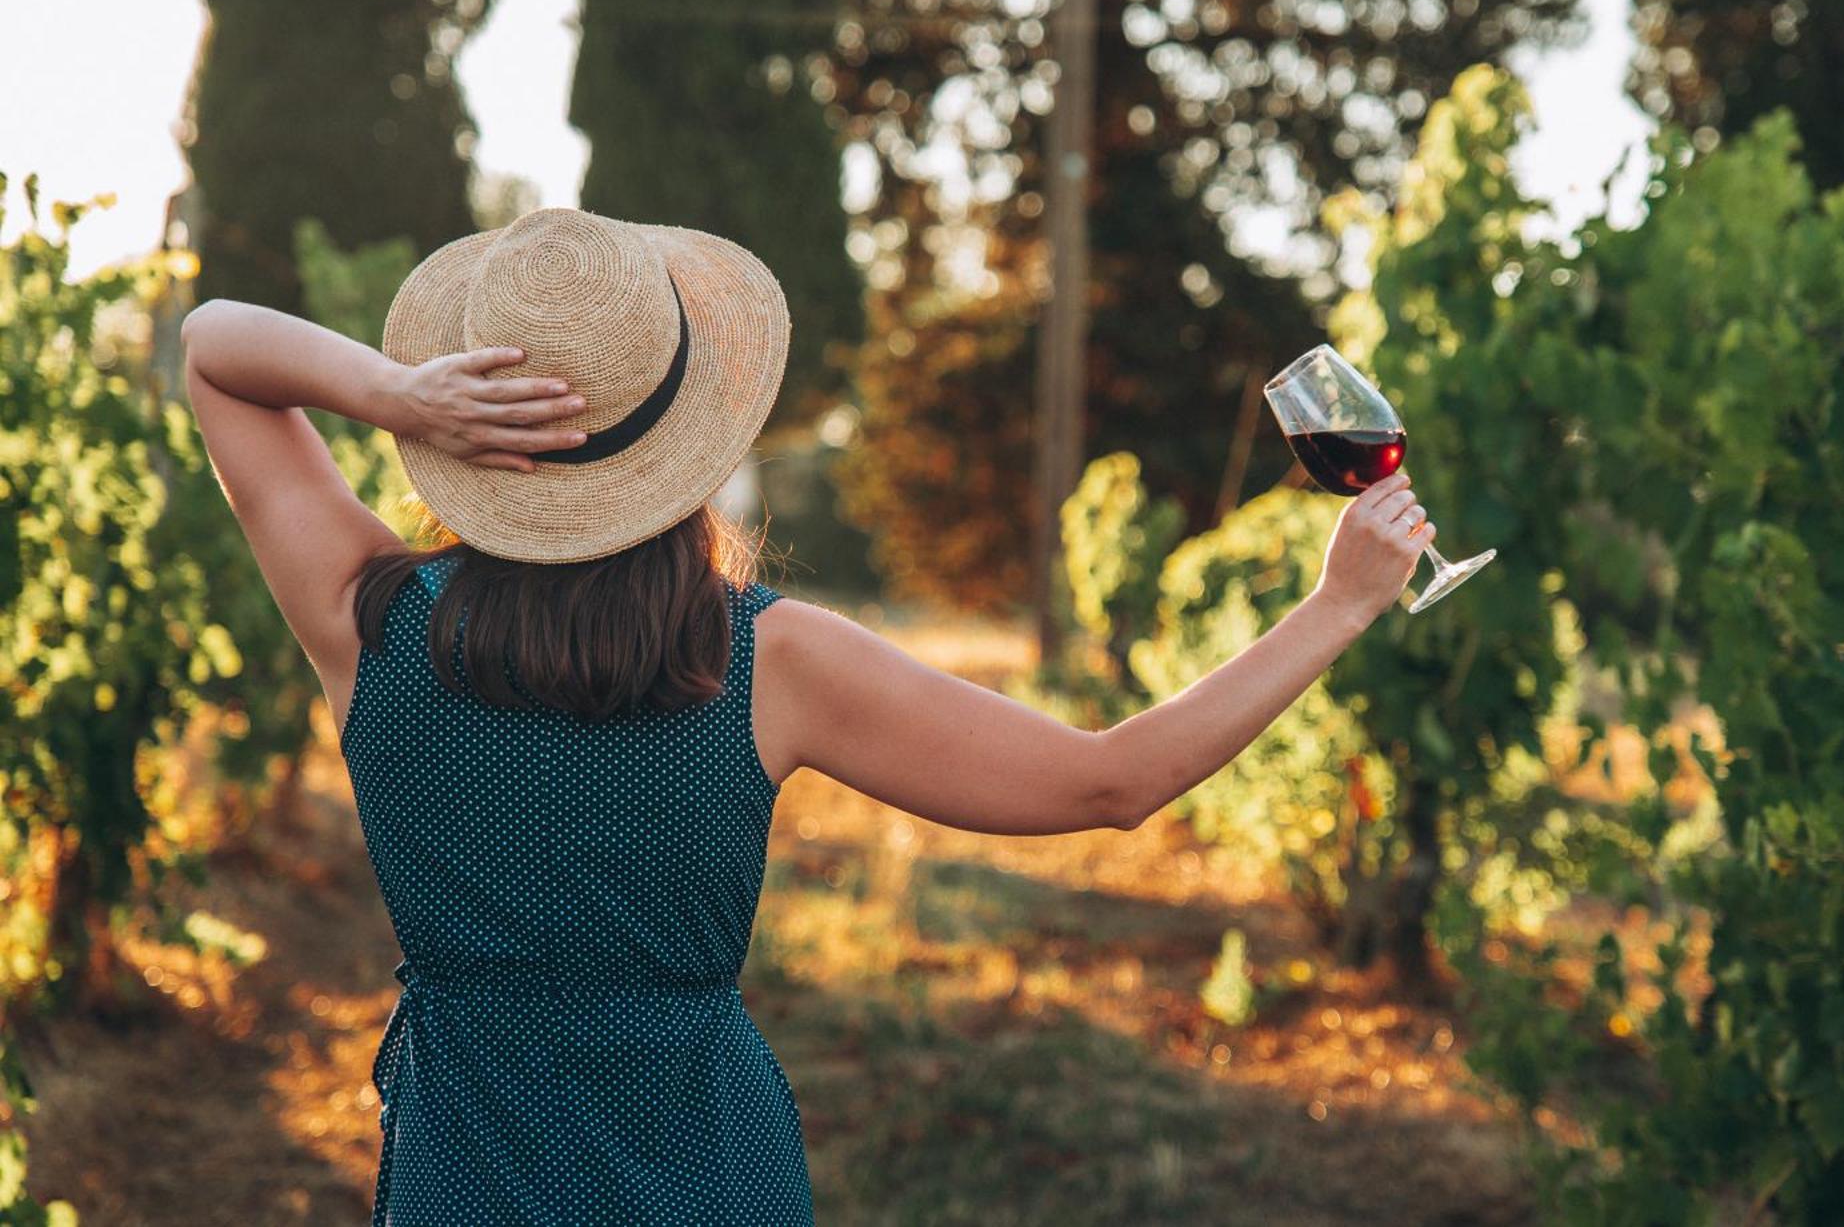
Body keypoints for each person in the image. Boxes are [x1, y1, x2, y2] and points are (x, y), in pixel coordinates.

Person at [180, 206, 1435, 1226]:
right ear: (682, 433)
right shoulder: (756, 655)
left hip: (468, 1177)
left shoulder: (366, 620)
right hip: (702, 1181)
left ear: (464, 428)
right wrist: (1332, 606)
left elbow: (217, 349)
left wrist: (393, 393)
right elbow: (1105, 784)